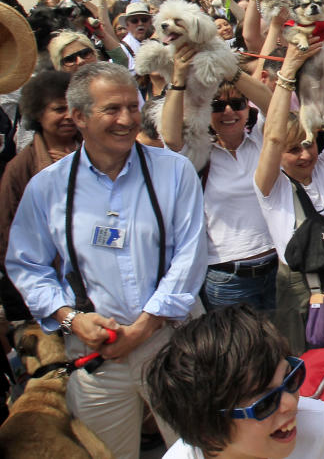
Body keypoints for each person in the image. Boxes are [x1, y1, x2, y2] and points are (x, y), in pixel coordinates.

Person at [5, 62, 207, 458]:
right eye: (112, 109)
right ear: (78, 116)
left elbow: (190, 255)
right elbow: (27, 265)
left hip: (171, 347)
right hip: (96, 359)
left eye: (133, 107)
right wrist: (71, 319)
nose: (127, 119)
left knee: (197, 449)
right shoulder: (47, 188)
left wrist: (145, 327)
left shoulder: (173, 172)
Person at [146, 304, 324, 459]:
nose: (290, 404)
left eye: (290, 379)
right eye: (265, 404)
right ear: (208, 433)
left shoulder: (322, 427)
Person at [255, 39, 324, 354]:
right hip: (300, 293)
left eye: (309, 144)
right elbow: (272, 135)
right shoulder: (270, 187)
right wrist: (287, 72)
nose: (305, 155)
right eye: (293, 149)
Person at [161, 45, 277, 312]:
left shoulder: (261, 139)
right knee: (237, 354)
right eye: (217, 105)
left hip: (278, 270)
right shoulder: (198, 151)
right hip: (227, 277)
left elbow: (271, 102)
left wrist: (228, 69)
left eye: (236, 104)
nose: (228, 111)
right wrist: (178, 81)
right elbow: (170, 137)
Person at [0, 71, 79, 322]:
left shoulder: (99, 151)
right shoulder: (20, 169)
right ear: (37, 114)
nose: (68, 116)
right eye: (58, 109)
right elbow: (8, 237)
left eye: (73, 107)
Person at [117, 1, 154, 74]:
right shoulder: (122, 49)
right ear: (127, 24)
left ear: (150, 22)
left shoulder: (157, 42)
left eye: (144, 20)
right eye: (134, 21)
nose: (140, 23)